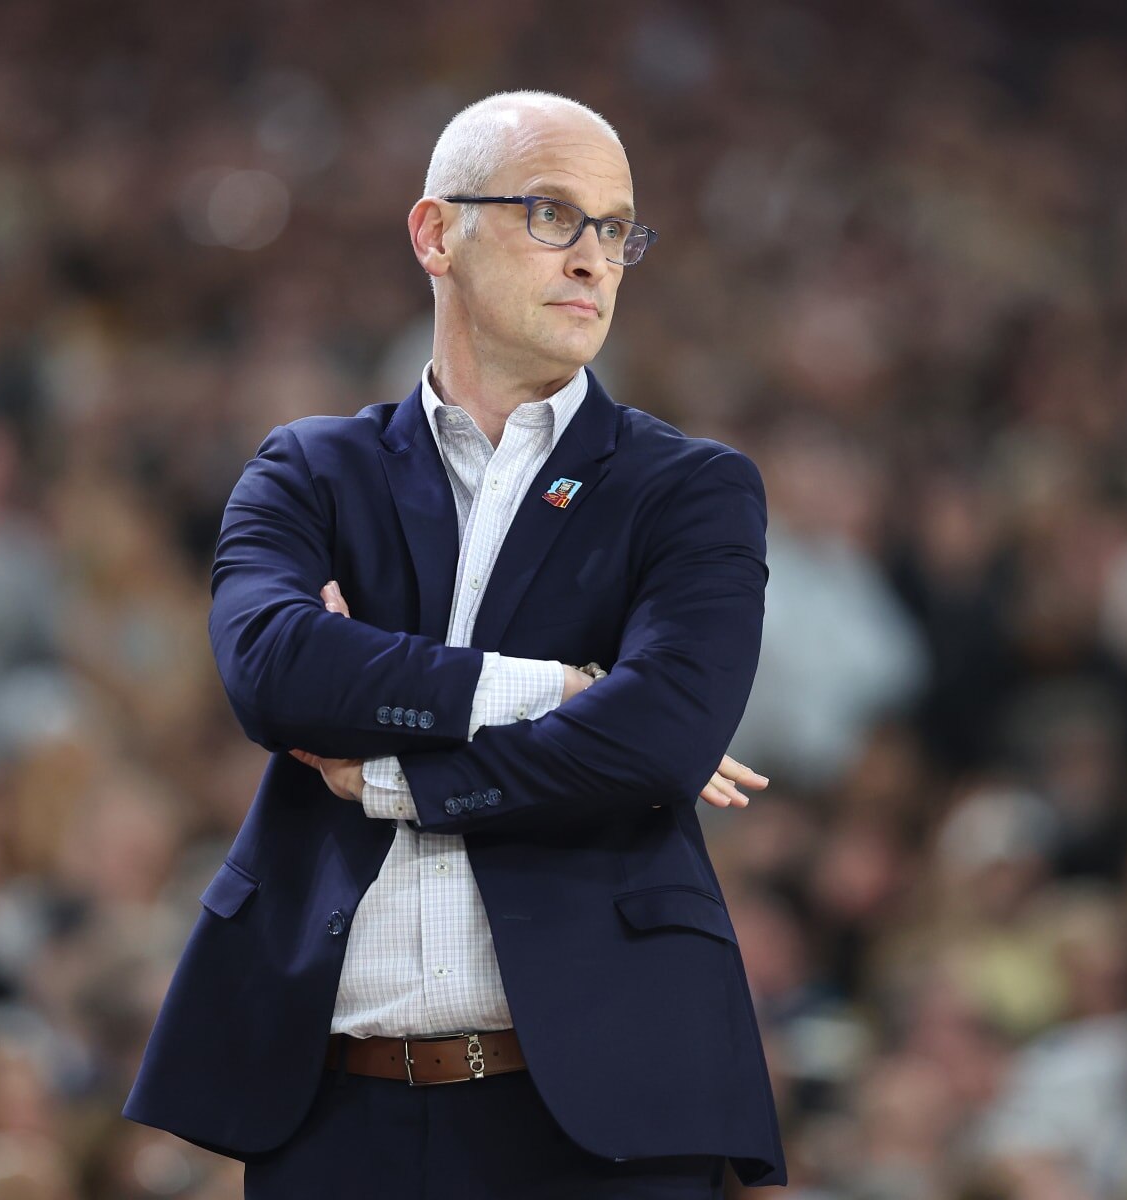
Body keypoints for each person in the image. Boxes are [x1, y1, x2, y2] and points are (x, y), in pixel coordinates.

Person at [124, 90, 787, 1196]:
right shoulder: (308, 468)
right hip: (335, 1112)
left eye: (617, 229)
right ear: (435, 233)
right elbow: (275, 671)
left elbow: (661, 738)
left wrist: (392, 779)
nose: (594, 259)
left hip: (600, 1116)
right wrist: (560, 689)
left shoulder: (692, 488)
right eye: (551, 214)